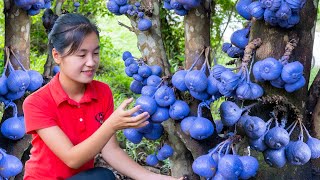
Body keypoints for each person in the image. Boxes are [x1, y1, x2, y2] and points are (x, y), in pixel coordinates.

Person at [23, 13, 182, 180]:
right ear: (57, 56)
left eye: (95, 53)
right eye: (81, 55)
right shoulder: (36, 103)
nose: (91, 62)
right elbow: (72, 159)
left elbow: (111, 151)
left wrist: (158, 178)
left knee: (103, 176)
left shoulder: (102, 92)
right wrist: (111, 125)